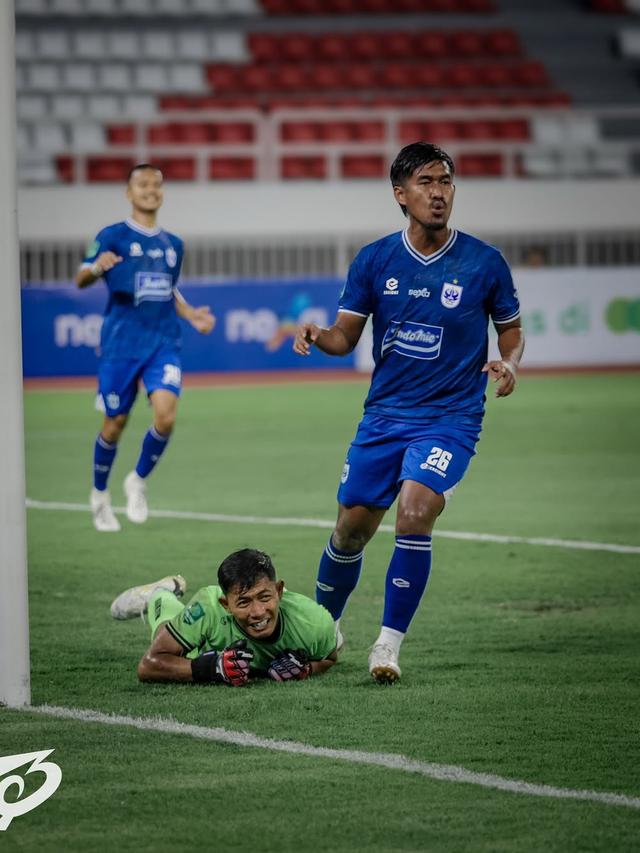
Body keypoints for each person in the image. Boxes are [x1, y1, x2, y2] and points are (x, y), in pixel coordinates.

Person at [293, 141, 524, 685]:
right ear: (401, 194)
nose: (439, 192)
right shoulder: (375, 260)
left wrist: (510, 362)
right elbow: (345, 336)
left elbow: (510, 329)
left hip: (451, 418)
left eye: (445, 181)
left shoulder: (485, 262)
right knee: (351, 529)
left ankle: (387, 646)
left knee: (415, 512)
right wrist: (318, 334)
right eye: (426, 182)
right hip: (384, 416)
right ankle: (325, 629)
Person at [76, 163, 215, 533]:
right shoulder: (112, 236)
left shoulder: (174, 245)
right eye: (143, 184)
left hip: (163, 343)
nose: (151, 189)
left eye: (157, 184)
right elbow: (80, 277)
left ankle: (137, 480)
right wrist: (96, 268)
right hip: (121, 345)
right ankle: (99, 495)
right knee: (115, 423)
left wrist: (191, 314)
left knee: (166, 417)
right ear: (129, 192)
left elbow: (168, 289)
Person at [110, 548, 339, 685]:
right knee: (166, 635)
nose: (258, 612)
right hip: (202, 646)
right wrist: (212, 668)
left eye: (265, 597)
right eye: (243, 602)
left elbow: (329, 659)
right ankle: (160, 594)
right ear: (225, 604)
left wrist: (307, 669)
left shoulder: (314, 622)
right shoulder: (209, 608)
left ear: (279, 591)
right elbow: (149, 665)